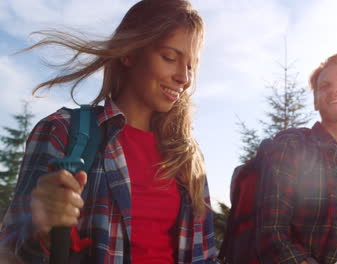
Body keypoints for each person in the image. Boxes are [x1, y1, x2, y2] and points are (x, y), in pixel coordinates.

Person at [0, 0, 218, 263]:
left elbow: (203, 255)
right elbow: (12, 247)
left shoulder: (188, 156)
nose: (184, 78)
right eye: (170, 58)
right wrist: (42, 232)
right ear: (129, 54)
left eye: (191, 65)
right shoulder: (62, 130)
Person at [256, 53, 337, 264]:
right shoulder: (292, 147)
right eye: (325, 86)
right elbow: (272, 234)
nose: (334, 90)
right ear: (316, 101)